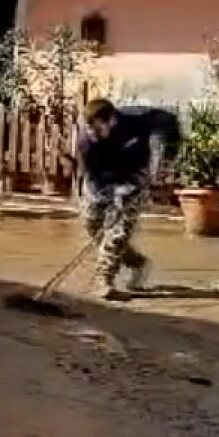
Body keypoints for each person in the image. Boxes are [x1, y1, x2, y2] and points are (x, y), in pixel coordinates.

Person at [77, 97, 182, 300]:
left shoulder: (138, 118)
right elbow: (91, 175)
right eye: (90, 129)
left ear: (112, 120)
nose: (94, 134)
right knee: (94, 226)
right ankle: (137, 263)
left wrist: (166, 159)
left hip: (133, 177)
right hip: (101, 180)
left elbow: (170, 123)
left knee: (117, 231)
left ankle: (104, 279)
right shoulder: (86, 142)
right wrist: (109, 193)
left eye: (99, 130)